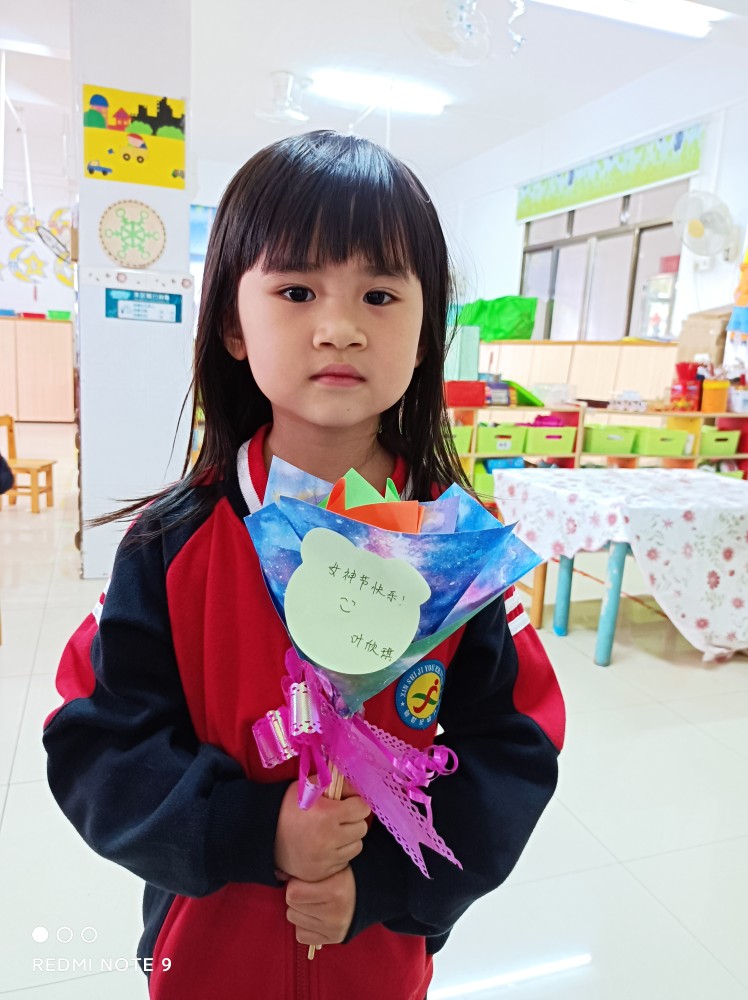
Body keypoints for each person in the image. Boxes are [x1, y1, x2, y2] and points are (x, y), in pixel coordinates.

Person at [43, 130, 565, 1000]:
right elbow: (95, 739)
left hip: (378, 960)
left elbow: (515, 748)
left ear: (427, 334)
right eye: (296, 290)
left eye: (380, 295)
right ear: (232, 326)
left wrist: (386, 882)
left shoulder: (457, 550)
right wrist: (255, 832)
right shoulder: (173, 544)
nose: (340, 328)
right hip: (206, 958)